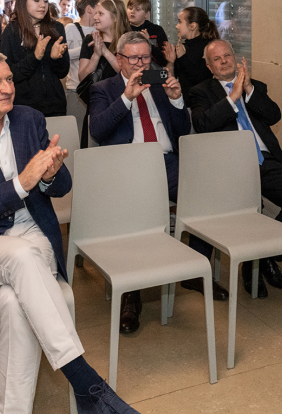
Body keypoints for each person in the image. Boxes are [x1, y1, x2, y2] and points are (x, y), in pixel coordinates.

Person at [0, 49, 140, 414]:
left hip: (32, 233)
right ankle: (86, 383)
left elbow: (62, 186)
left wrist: (51, 173)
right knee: (21, 259)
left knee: (15, 301)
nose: (7, 88)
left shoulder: (29, 120)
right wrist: (20, 185)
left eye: (9, 79)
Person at [89, 31, 228, 333]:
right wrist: (127, 97)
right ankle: (131, 294)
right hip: (127, 163)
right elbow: (98, 131)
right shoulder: (104, 88)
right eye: (134, 58)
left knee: (204, 197)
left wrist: (177, 101)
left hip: (166, 161)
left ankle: (195, 268)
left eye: (145, 57)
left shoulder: (160, 82)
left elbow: (179, 130)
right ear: (121, 58)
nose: (141, 63)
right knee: (134, 216)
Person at [188, 39, 282, 297]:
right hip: (230, 166)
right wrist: (232, 97)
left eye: (228, 55)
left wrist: (248, 89)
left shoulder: (255, 86)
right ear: (208, 65)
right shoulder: (200, 91)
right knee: (251, 212)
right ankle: (256, 263)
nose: (225, 61)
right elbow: (203, 124)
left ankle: (262, 257)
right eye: (218, 58)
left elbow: (274, 116)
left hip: (264, 159)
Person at [0, 0, 69, 117]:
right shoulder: (12, 31)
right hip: (23, 107)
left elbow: (63, 72)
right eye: (36, 0)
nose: (42, 5)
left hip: (55, 106)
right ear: (23, 1)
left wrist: (56, 58)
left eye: (46, 0)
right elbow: (9, 74)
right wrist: (35, 57)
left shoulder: (57, 28)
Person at [162, 6, 217, 105]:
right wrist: (170, 62)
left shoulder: (208, 47)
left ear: (192, 26)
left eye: (180, 22)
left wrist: (183, 58)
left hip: (202, 104)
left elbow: (202, 79)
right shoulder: (181, 48)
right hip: (183, 102)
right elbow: (172, 78)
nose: (176, 26)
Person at [64, 0, 99, 134]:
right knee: (76, 132)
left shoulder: (99, 30)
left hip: (96, 88)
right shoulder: (71, 28)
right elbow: (64, 55)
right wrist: (86, 49)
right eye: (98, 9)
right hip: (75, 88)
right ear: (90, 9)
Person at [126, 0, 168, 67]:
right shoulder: (123, 29)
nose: (132, 11)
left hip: (153, 72)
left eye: (137, 9)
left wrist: (148, 44)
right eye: (130, 8)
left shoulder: (156, 30)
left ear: (146, 14)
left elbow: (164, 59)